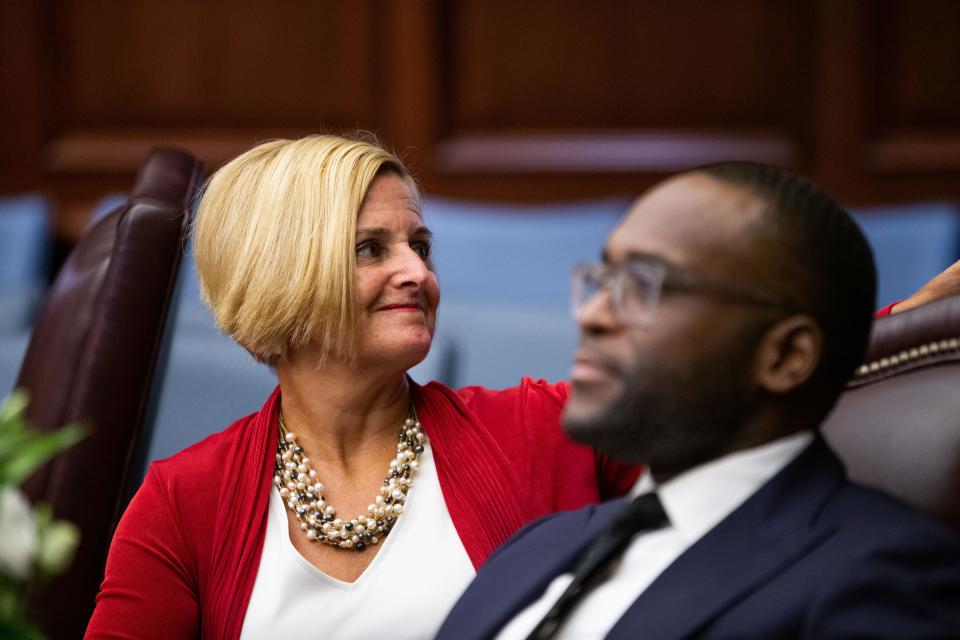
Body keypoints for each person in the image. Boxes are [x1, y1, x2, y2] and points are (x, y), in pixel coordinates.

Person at [84, 136, 638, 639]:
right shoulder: (182, 503)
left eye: (419, 246)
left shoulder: (543, 427)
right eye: (370, 248)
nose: (419, 274)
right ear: (283, 279)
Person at [437, 162, 960, 639]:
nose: (592, 313)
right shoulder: (534, 548)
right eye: (602, 280)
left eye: (645, 287)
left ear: (784, 355)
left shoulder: (881, 572)